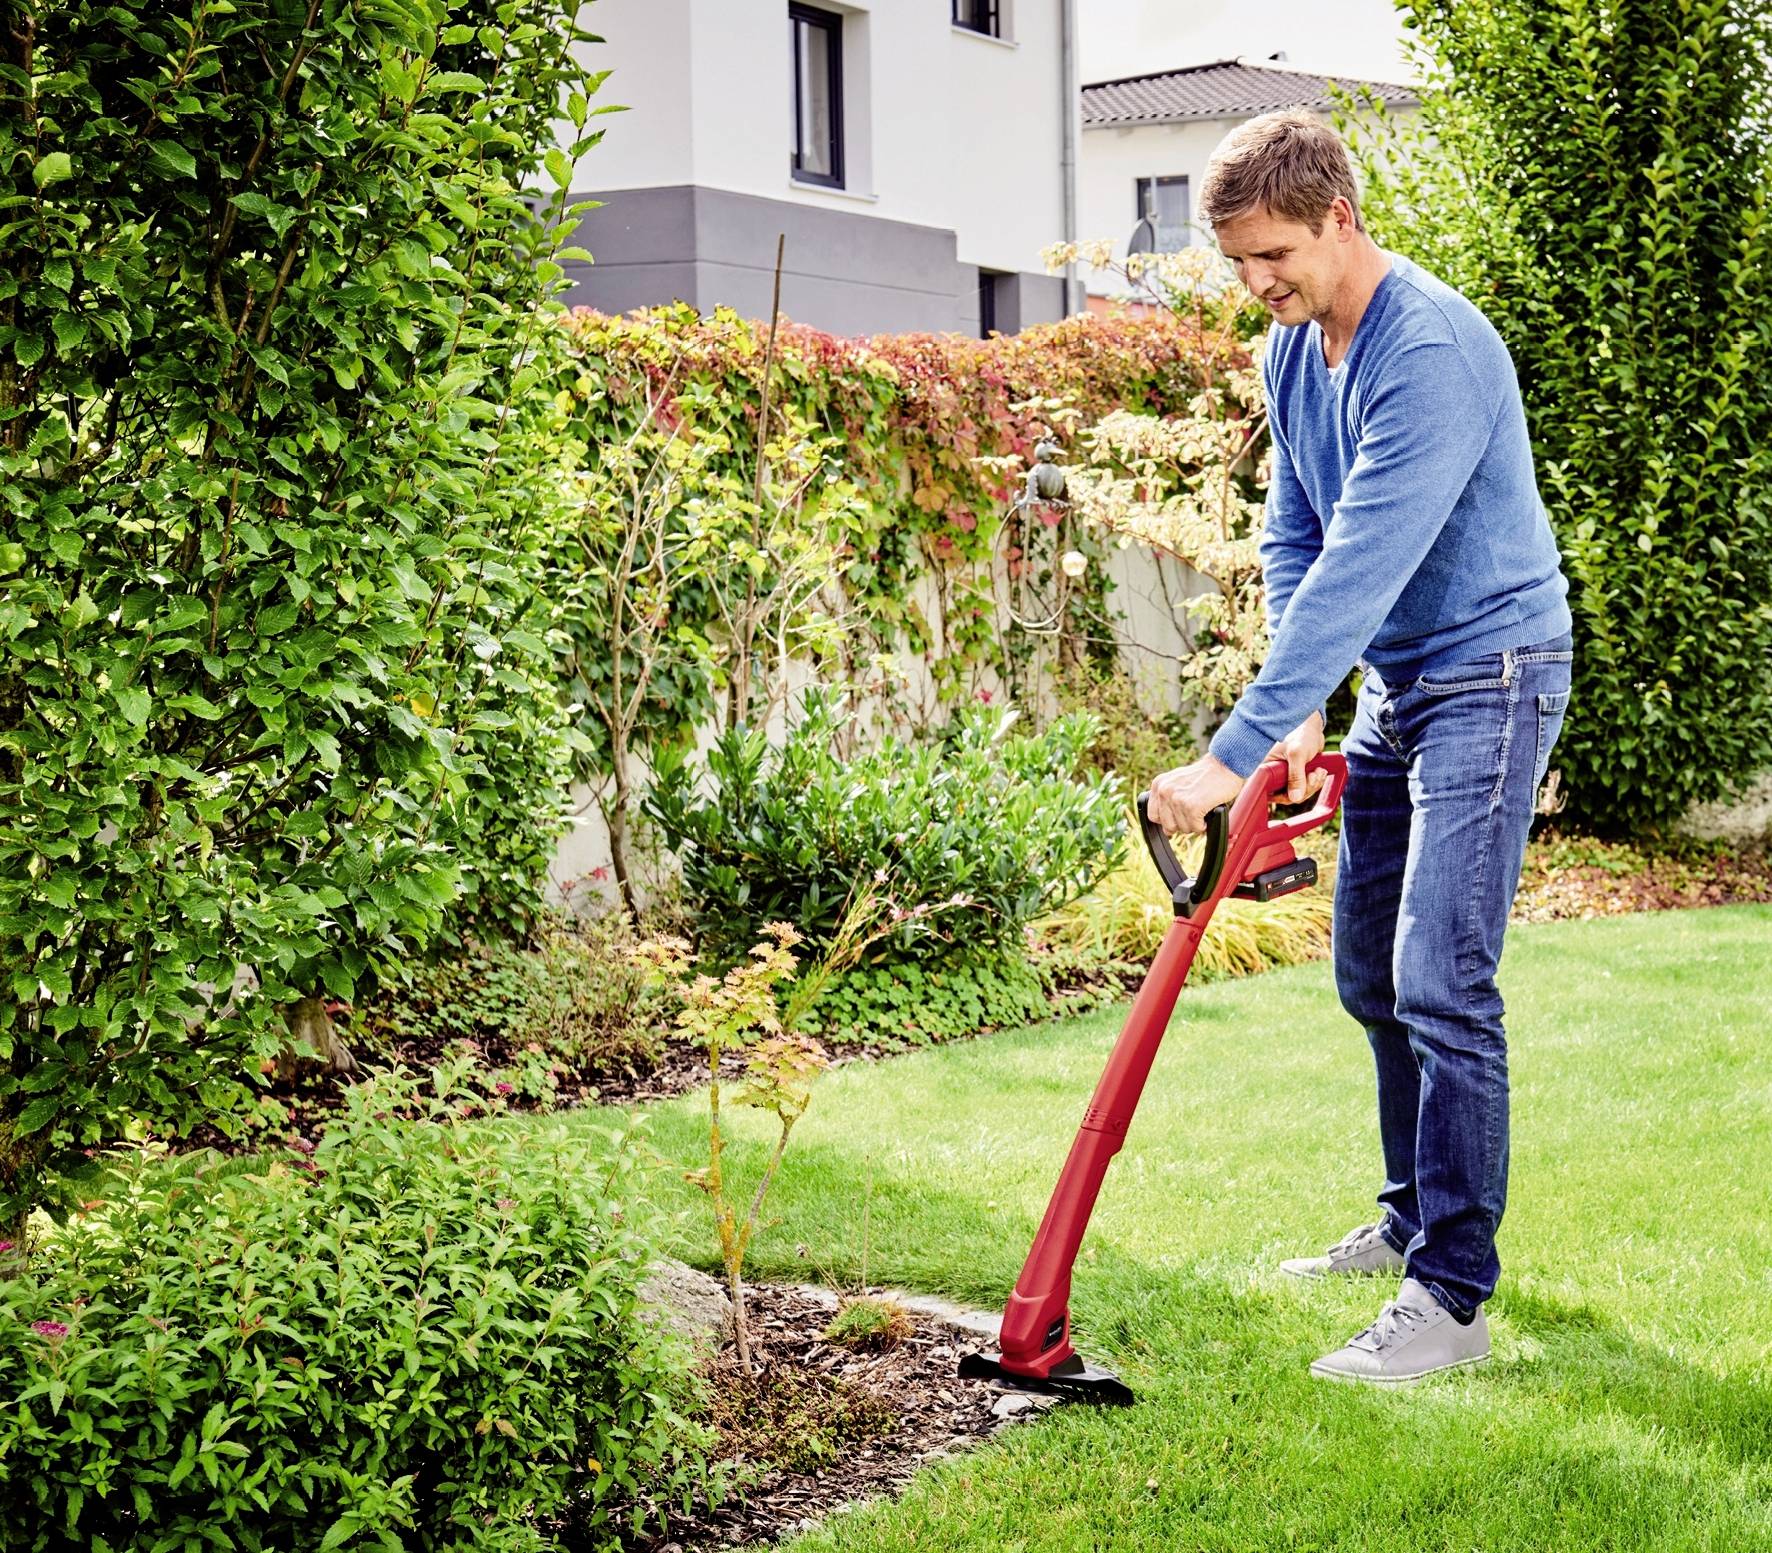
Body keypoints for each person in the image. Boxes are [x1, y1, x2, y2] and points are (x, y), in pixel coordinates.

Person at [1143, 111, 1573, 1385]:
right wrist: (1310, 709)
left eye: (1268, 253)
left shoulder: (1423, 349)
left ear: (1337, 217)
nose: (1253, 282)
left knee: (1442, 977)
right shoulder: (1294, 346)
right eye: (1233, 263)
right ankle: (1405, 1217)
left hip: (1490, 670)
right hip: (1395, 683)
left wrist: (1233, 750)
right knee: (1369, 978)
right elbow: (1294, 533)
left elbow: (1362, 562)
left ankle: (1450, 1292)